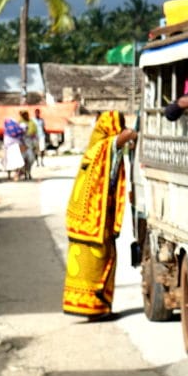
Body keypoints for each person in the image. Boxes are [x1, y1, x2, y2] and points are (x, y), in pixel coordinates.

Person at [62, 111, 137, 319]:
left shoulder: (98, 148)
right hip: (92, 221)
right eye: (119, 125)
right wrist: (134, 133)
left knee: (100, 262)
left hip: (90, 218)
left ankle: (98, 308)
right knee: (94, 264)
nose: (121, 129)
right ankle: (92, 309)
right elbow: (126, 136)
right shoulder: (102, 147)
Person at [20, 110, 38, 180]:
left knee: (31, 160)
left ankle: (29, 172)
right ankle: (24, 173)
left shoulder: (32, 122)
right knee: (23, 160)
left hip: (30, 144)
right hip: (23, 145)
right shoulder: (20, 122)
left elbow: (35, 133)